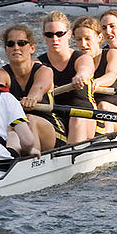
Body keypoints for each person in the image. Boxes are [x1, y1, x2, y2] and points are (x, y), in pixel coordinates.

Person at [0, 25, 60, 152]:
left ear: (32, 48)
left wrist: (31, 99)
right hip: (17, 129)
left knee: (28, 119)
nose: (16, 47)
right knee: (10, 126)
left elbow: (38, 89)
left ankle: (31, 163)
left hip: (50, 129)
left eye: (22, 43)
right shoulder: (2, 74)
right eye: (10, 44)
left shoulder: (44, 71)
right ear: (6, 50)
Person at [36, 11, 96, 145]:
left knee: (76, 117)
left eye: (59, 34)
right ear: (44, 36)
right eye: (49, 35)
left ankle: (72, 156)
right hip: (57, 118)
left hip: (86, 116)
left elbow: (86, 68)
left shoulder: (81, 58)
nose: (55, 39)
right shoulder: (38, 64)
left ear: (68, 35)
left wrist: (81, 75)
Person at [72, 17, 117, 136]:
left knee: (103, 106)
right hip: (94, 114)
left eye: (87, 39)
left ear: (99, 38)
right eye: (78, 39)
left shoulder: (112, 53)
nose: (83, 44)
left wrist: (96, 82)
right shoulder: (76, 61)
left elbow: (111, 75)